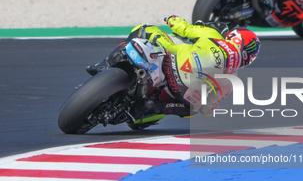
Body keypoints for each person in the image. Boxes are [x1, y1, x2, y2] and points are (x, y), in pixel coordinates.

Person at [86, 15, 261, 119]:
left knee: (145, 29)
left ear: (233, 36)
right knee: (193, 109)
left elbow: (183, 28)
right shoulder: (232, 80)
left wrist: (171, 19)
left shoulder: (213, 35)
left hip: (172, 63)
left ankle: (105, 65)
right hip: (182, 90)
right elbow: (208, 110)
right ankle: (155, 106)